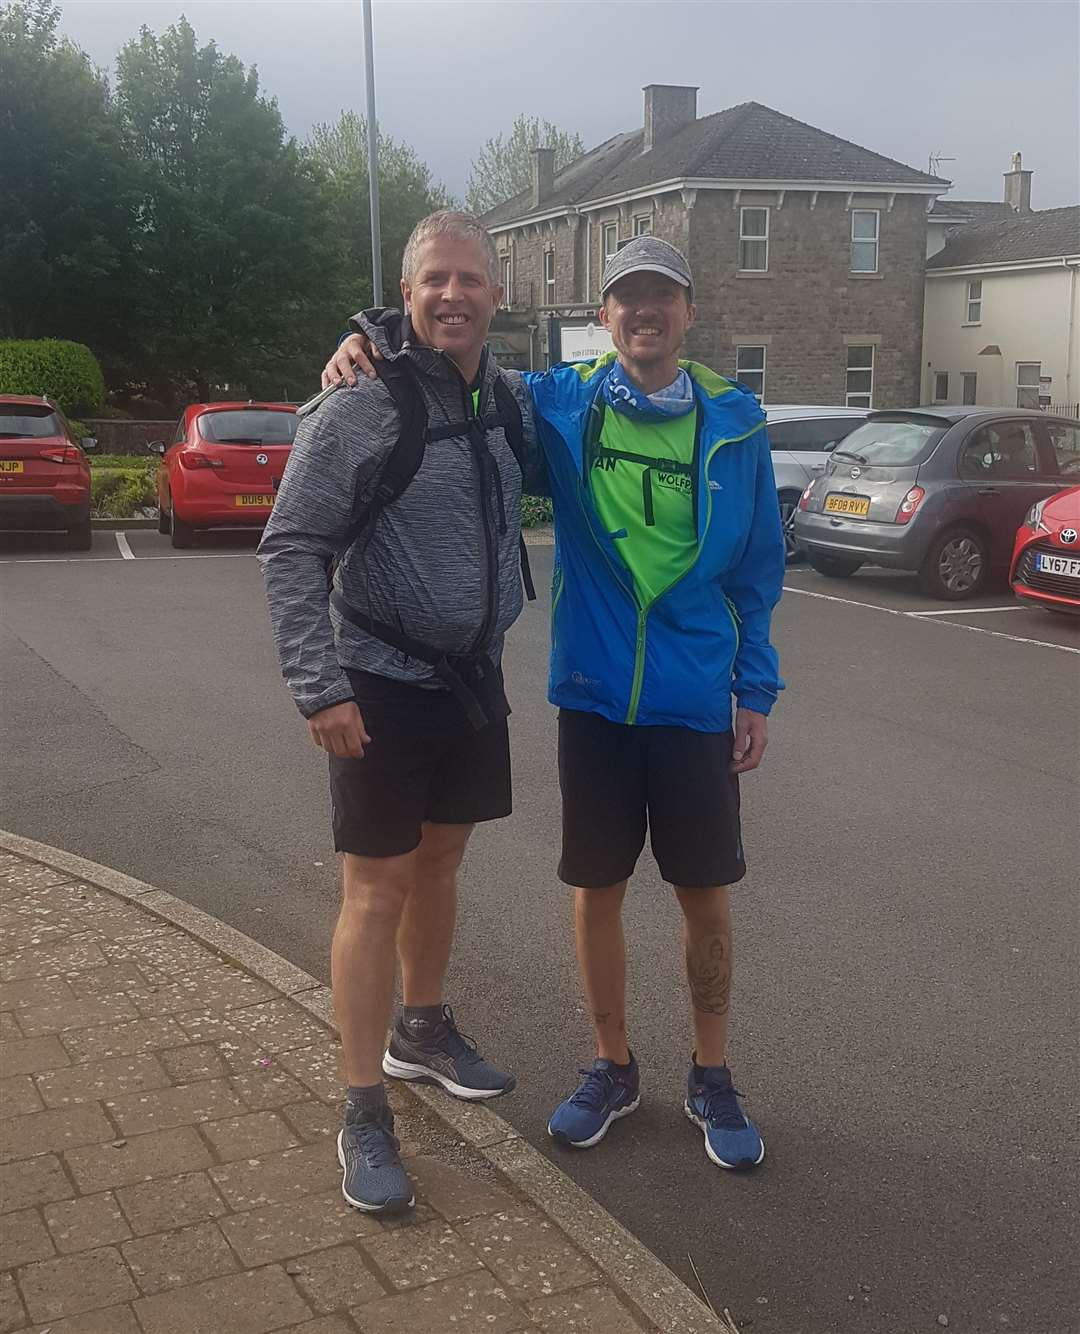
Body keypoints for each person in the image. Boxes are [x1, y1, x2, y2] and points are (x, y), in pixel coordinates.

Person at [326, 234, 785, 1171]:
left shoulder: (738, 427)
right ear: (603, 316)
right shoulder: (560, 408)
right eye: (626, 299)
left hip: (698, 701)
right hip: (595, 700)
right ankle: (612, 1064)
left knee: (705, 898)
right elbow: (447, 364)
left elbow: (757, 576)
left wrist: (756, 690)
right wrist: (360, 339)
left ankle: (712, 1073)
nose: (644, 312)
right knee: (596, 893)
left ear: (688, 312)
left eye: (662, 296)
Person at [258, 210, 542, 1215]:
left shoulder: (510, 401)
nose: (452, 295)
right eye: (434, 280)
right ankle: (363, 1104)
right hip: (374, 680)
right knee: (373, 891)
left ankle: (422, 1026)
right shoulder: (358, 403)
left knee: (443, 861)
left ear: (497, 293)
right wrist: (318, 683)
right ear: (407, 292)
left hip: (473, 678)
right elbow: (290, 545)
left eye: (471, 278)